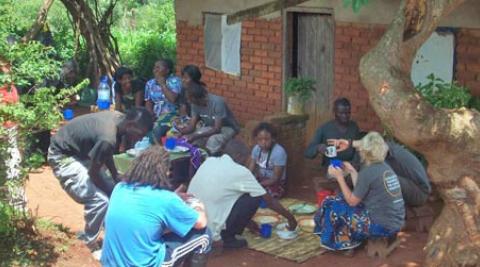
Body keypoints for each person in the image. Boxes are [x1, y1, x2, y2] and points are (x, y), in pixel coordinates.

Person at [47, 108, 154, 257]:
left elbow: (104, 152)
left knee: (111, 188)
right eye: (139, 134)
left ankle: (110, 233)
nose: (139, 139)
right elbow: (94, 172)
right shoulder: (108, 136)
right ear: (130, 125)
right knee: (100, 200)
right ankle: (87, 242)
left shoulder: (118, 119)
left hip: (80, 153)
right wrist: (112, 190)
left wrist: (115, 175)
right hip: (63, 156)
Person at [101, 147, 210, 267]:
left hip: (111, 262)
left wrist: (174, 197)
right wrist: (198, 205)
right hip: (145, 264)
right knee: (205, 235)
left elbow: (144, 214)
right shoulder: (165, 199)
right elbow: (201, 222)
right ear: (164, 172)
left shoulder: (120, 188)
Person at [187, 139, 297, 249]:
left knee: (239, 193)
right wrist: (291, 218)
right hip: (209, 229)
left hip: (190, 223)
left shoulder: (209, 161)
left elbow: (222, 197)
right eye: (246, 157)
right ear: (239, 156)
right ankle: (228, 238)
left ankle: (226, 232)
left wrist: (248, 223)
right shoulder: (241, 172)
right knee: (253, 197)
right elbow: (269, 200)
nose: (247, 160)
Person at [314, 132, 405, 252]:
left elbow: (352, 202)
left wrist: (339, 177)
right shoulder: (384, 167)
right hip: (396, 222)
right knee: (339, 199)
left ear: (365, 151)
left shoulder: (368, 172)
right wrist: (351, 170)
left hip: (381, 227)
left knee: (333, 204)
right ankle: (343, 239)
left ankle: (345, 243)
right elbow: (361, 189)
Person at [328, 138, 431, 207]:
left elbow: (353, 201)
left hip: (419, 192)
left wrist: (341, 178)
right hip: (409, 185)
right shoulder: (380, 153)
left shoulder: (386, 153)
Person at [304, 97, 360, 191]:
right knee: (339, 182)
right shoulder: (325, 128)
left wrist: (355, 163)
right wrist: (318, 147)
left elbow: (357, 148)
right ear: (334, 113)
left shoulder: (353, 127)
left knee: (360, 177)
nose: (345, 116)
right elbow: (307, 152)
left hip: (350, 165)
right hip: (332, 167)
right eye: (341, 113)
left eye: (348, 113)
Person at [179, 82, 239, 154]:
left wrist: (195, 136)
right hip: (211, 127)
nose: (188, 101)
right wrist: (180, 133)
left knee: (213, 141)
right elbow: (191, 127)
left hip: (227, 127)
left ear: (197, 98)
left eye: (190, 99)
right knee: (195, 139)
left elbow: (217, 129)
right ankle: (197, 159)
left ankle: (212, 159)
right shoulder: (194, 104)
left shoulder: (217, 102)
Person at [248, 122, 287, 198]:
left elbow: (276, 178)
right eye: (260, 139)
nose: (263, 142)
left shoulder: (279, 152)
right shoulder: (256, 149)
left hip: (275, 183)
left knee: (267, 196)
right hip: (261, 179)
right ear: (256, 139)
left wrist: (258, 185)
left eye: (266, 139)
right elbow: (250, 170)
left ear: (273, 139)